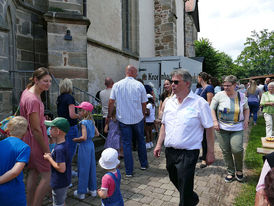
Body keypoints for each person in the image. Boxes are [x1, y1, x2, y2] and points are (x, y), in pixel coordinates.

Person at [153, 69, 215, 206]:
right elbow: (164, 125)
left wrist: (210, 153)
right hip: (170, 151)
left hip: (189, 152)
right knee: (174, 178)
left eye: (176, 82)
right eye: (172, 81)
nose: (172, 84)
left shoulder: (200, 103)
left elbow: (209, 128)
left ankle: (187, 201)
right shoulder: (169, 102)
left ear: (187, 83)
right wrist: (158, 144)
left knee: (185, 185)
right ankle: (192, 198)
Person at [108, 65, 148, 177]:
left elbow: (111, 101)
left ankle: (129, 171)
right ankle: (143, 164)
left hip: (123, 119)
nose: (137, 74)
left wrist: (109, 114)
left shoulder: (117, 85)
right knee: (140, 141)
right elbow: (144, 103)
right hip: (137, 118)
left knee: (126, 144)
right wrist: (143, 114)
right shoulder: (139, 85)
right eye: (136, 72)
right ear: (133, 72)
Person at [19, 67, 52, 206]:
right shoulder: (32, 99)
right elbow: (36, 129)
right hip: (36, 141)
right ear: (36, 80)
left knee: (33, 172)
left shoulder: (29, 92)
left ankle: (29, 203)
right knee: (49, 176)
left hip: (30, 139)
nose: (49, 84)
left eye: (50, 81)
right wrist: (47, 151)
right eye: (45, 81)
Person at [210, 75, 249, 183]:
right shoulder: (219, 95)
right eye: (224, 85)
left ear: (235, 85)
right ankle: (230, 172)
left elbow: (246, 109)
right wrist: (214, 121)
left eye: (228, 85)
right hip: (221, 128)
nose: (226, 88)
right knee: (226, 151)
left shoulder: (241, 96)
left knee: (237, 149)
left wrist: (246, 120)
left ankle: (239, 170)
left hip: (237, 127)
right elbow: (211, 109)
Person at [0, 116, 30, 206]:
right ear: (25, 133)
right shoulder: (24, 147)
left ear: (8, 130)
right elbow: (15, 172)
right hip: (14, 193)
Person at [73, 102, 99, 199]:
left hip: (84, 146)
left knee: (83, 168)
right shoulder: (92, 122)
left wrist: (75, 139)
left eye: (80, 110)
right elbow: (97, 134)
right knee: (91, 167)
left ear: (85, 112)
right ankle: (93, 190)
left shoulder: (83, 123)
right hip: (91, 145)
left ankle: (82, 192)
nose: (78, 112)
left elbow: (83, 137)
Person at [43, 117, 71, 206]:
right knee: (61, 201)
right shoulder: (64, 144)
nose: (49, 130)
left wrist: (49, 159)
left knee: (57, 204)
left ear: (58, 131)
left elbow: (61, 168)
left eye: (51, 128)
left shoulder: (59, 149)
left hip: (59, 181)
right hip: (64, 180)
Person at [57, 78, 79, 162]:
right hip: (71, 127)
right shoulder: (70, 98)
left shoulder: (59, 98)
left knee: (63, 149)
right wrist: (80, 116)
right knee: (71, 149)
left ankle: (63, 167)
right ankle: (67, 170)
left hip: (62, 127)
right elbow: (72, 115)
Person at [197, 72, 214, 169]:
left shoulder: (209, 88)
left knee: (205, 138)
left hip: (205, 115)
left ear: (201, 78)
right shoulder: (201, 89)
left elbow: (209, 102)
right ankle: (203, 155)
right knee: (201, 137)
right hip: (200, 115)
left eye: (198, 78)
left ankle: (205, 158)